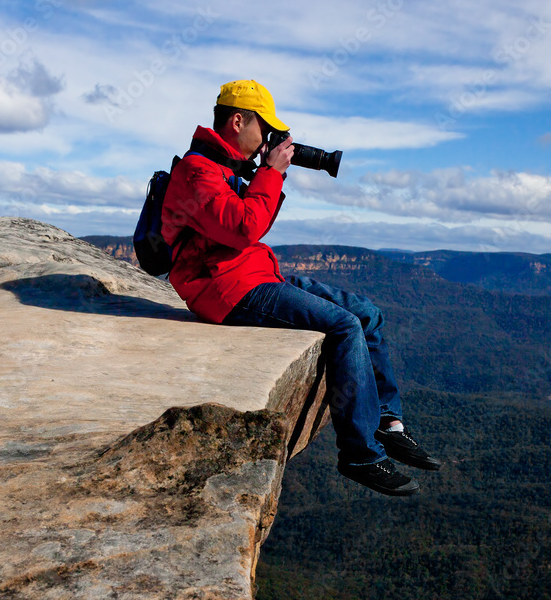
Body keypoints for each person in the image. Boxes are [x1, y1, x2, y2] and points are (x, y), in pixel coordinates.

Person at [161, 79, 441, 496]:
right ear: (238, 121)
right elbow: (243, 227)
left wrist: (263, 174)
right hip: (224, 289)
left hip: (254, 274)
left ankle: (389, 423)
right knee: (345, 326)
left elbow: (252, 226)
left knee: (366, 312)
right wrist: (271, 173)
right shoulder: (198, 171)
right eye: (265, 128)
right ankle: (360, 455)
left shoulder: (226, 168)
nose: (268, 139)